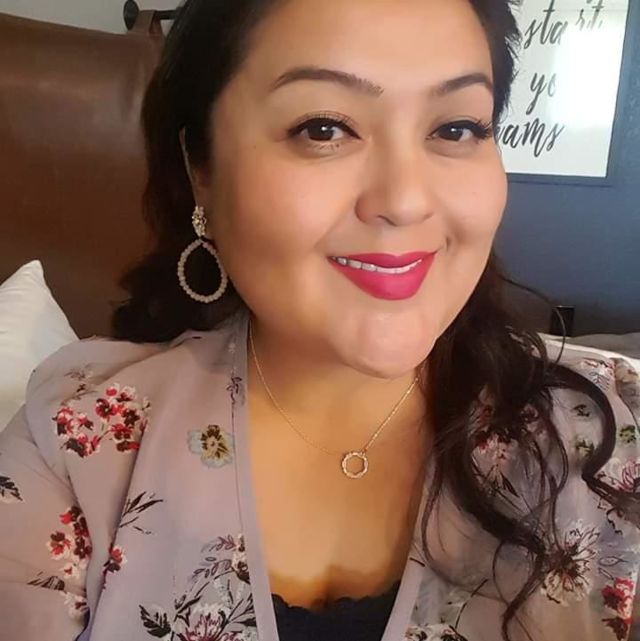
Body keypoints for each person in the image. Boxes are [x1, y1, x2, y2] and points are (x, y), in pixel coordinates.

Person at [0, 0, 638, 639]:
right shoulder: (78, 441)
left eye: (456, 128)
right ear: (202, 170)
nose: (406, 201)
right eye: (324, 128)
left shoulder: (611, 433)